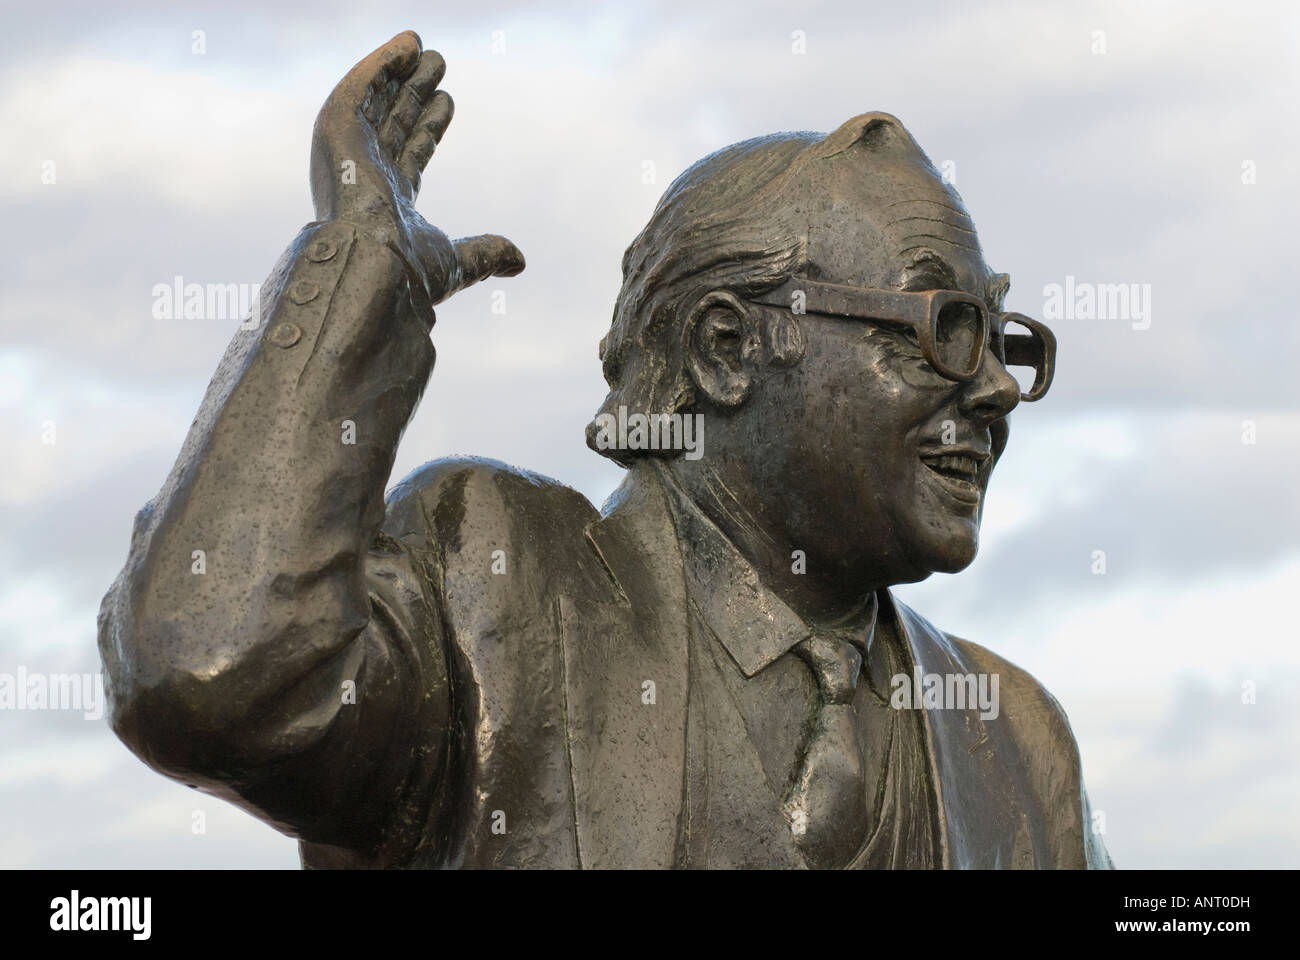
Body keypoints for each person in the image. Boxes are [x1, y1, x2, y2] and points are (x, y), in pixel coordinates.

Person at [98, 31, 1111, 869]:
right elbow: (212, 678)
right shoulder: (490, 582)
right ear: (726, 348)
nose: (991, 388)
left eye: (1002, 338)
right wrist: (362, 269)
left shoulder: (1015, 742)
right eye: (944, 328)